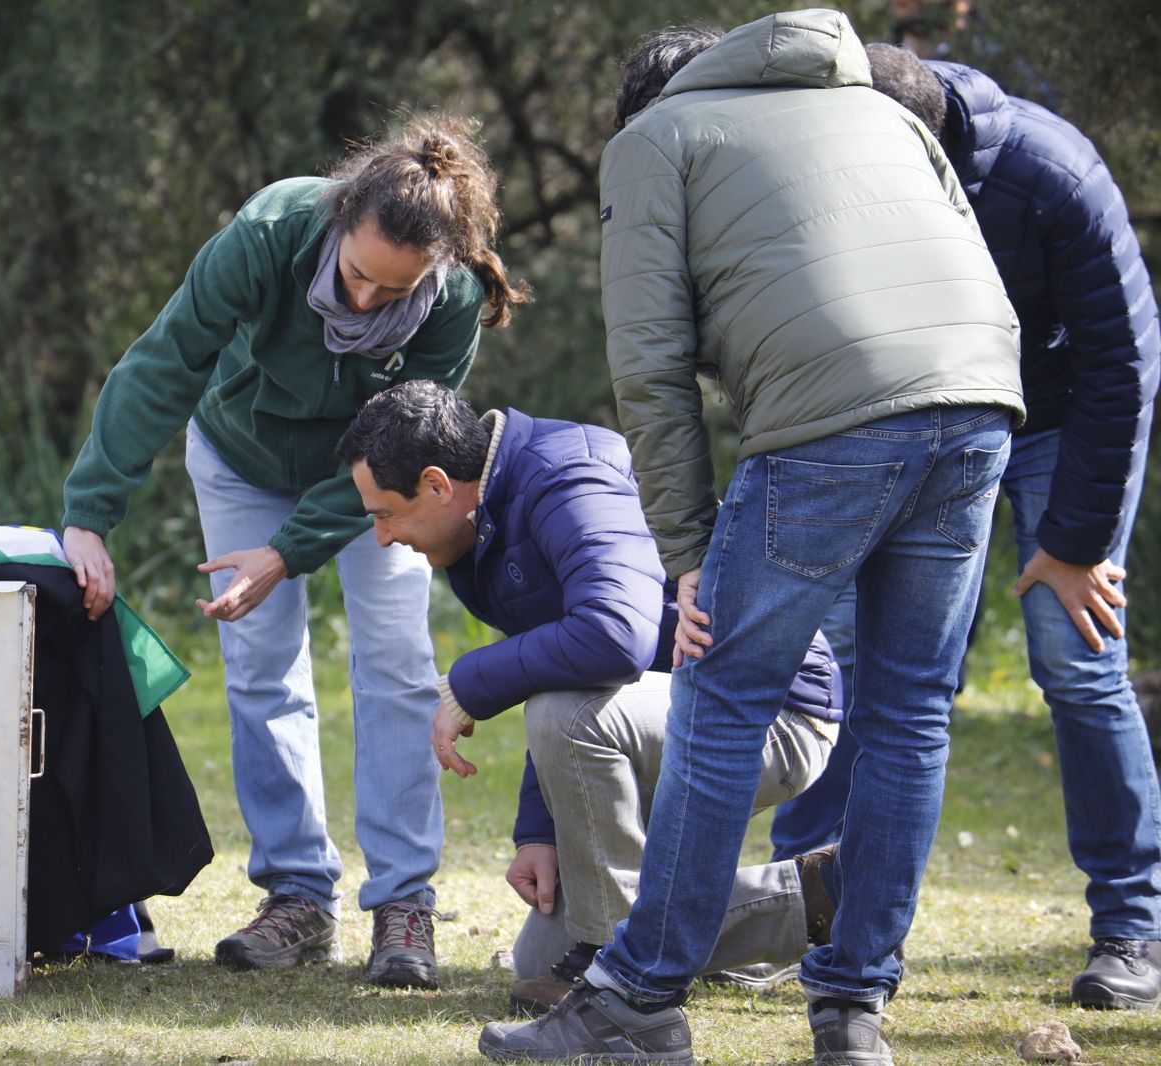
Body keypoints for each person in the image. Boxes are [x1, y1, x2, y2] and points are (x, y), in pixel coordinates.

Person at [477, 11, 1023, 1065]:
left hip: (835, 414)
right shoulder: (872, 107)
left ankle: (635, 999)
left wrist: (683, 552)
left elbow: (647, 366)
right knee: (908, 713)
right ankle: (853, 1008)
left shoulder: (654, 142)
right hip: (981, 394)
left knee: (721, 702)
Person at [59, 116, 527, 989]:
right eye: (356, 276)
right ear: (339, 224)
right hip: (241, 457)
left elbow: (396, 450)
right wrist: (90, 511)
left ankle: (403, 903)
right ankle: (299, 898)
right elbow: (165, 364)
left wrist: (286, 551)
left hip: (371, 482)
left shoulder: (454, 298)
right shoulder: (271, 233)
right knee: (260, 665)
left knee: (394, 659)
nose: (364, 304)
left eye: (392, 296)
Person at [781, 42, 1158, 1012]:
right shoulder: (846, 161)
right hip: (920, 416)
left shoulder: (1052, 173)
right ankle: (803, 902)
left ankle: (1133, 923)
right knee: (852, 656)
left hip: (1057, 415)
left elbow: (1124, 358)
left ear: (925, 144)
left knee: (1075, 659)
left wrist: (1072, 543)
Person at [335, 380, 845, 1015]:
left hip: (769, 712)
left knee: (561, 721)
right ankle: (820, 900)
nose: (382, 537)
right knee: (538, 961)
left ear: (438, 485)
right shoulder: (480, 523)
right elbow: (566, 668)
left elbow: (615, 636)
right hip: (674, 712)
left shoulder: (566, 476)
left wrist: (466, 683)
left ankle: (619, 981)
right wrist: (540, 832)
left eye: (384, 514)